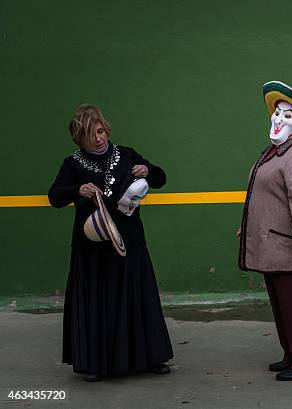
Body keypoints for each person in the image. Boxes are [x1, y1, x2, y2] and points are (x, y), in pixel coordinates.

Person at [48, 104, 173, 381]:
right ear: (79, 139)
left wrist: (148, 170)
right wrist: (77, 189)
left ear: (107, 129)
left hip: (130, 242)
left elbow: (161, 178)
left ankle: (149, 358)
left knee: (137, 299)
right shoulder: (72, 164)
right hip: (93, 247)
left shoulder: (127, 154)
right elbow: (54, 196)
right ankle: (94, 363)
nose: (98, 139)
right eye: (90, 135)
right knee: (96, 302)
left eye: (101, 131)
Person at [238, 81, 292, 381]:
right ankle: (291, 355)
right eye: (277, 112)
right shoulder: (276, 152)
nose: (278, 118)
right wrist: (248, 227)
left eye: (288, 115)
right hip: (274, 245)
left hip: (290, 246)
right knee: (282, 307)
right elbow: (265, 197)